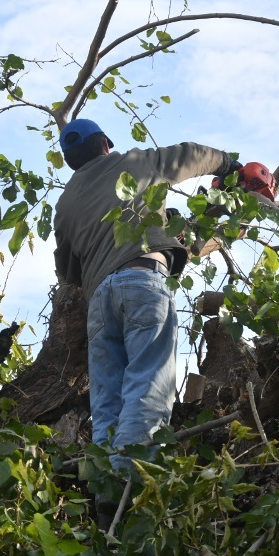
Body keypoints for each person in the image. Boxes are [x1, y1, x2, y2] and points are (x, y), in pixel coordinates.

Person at [53, 118, 244, 476]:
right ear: (106, 143)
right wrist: (230, 166)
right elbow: (192, 155)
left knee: (107, 402)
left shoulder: (64, 206)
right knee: (149, 388)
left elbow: (68, 274)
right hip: (143, 280)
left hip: (100, 304)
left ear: (70, 161)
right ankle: (132, 482)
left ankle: (105, 491)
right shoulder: (133, 163)